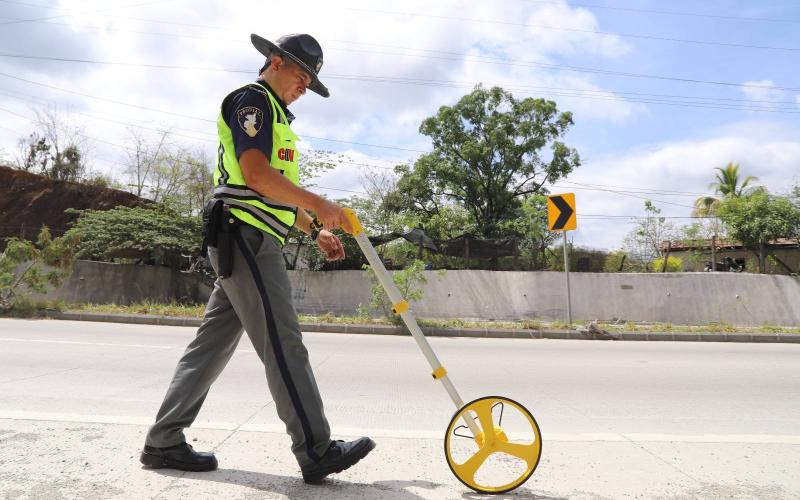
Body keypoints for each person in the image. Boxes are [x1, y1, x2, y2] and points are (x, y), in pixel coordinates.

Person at [140, 33, 375, 484]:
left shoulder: (280, 118)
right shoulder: (254, 101)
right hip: (245, 236)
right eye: (301, 75)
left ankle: (164, 441)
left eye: (311, 82)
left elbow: (274, 191)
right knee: (284, 344)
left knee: (209, 347)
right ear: (274, 62)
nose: (304, 87)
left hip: (249, 234)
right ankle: (317, 449)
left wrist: (315, 228)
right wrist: (323, 204)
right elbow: (256, 176)